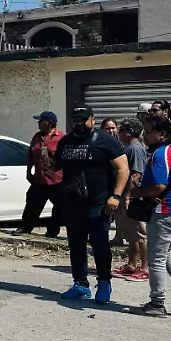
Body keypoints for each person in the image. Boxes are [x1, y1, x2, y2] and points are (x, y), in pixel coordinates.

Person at [53, 105, 129, 303]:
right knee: (76, 245)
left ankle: (104, 283)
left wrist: (116, 196)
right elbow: (59, 165)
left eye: (83, 119)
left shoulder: (106, 141)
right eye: (76, 119)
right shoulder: (66, 142)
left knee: (100, 245)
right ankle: (80, 284)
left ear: (93, 120)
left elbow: (123, 169)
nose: (79, 123)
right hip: (73, 203)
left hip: (98, 202)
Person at [129, 117, 171, 316]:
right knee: (165, 253)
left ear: (162, 135)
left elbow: (159, 186)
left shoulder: (160, 154)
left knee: (155, 258)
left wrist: (133, 193)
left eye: (148, 132)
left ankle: (157, 303)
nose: (144, 136)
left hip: (164, 212)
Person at [112, 118, 149, 280]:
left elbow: (136, 175)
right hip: (122, 196)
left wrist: (128, 195)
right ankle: (132, 264)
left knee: (139, 234)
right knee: (130, 234)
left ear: (129, 132)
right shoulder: (127, 147)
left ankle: (146, 267)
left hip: (133, 197)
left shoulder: (135, 149)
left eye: (121, 131)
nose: (118, 134)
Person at [17, 111, 64, 238]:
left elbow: (66, 159)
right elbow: (30, 155)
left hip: (57, 180)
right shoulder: (37, 137)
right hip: (39, 179)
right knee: (32, 204)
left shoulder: (62, 138)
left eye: (41, 121)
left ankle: (52, 231)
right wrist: (29, 171)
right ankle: (25, 228)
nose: (38, 123)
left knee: (60, 207)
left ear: (49, 123)